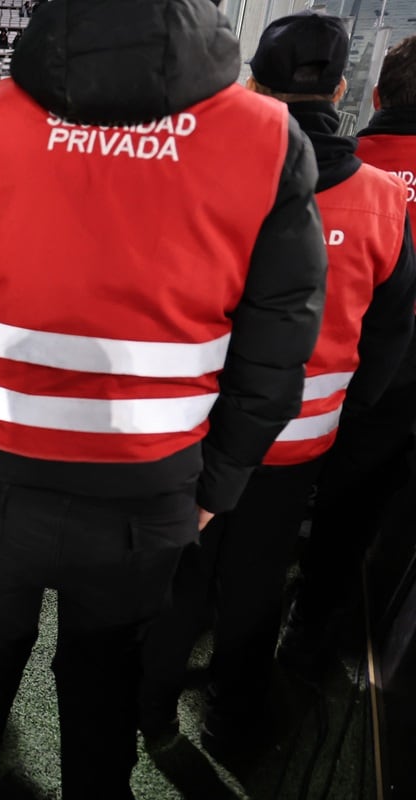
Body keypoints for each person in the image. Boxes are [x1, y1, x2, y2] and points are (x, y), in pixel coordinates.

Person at [0, 0, 328, 797]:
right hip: (149, 492)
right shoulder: (268, 140)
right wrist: (219, 484)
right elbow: (279, 344)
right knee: (103, 693)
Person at [139, 10, 416, 757]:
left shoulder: (200, 180)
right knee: (257, 588)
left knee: (181, 575)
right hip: (301, 442)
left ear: (253, 82)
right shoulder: (389, 201)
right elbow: (391, 338)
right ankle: (233, 723)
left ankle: (152, 712)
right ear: (344, 87)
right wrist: (345, 425)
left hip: (198, 430)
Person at [279, 33, 416, 675]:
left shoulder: (344, 170)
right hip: (372, 395)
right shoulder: (374, 190)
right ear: (344, 90)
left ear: (375, 93)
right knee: (349, 517)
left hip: (288, 396)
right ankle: (309, 635)